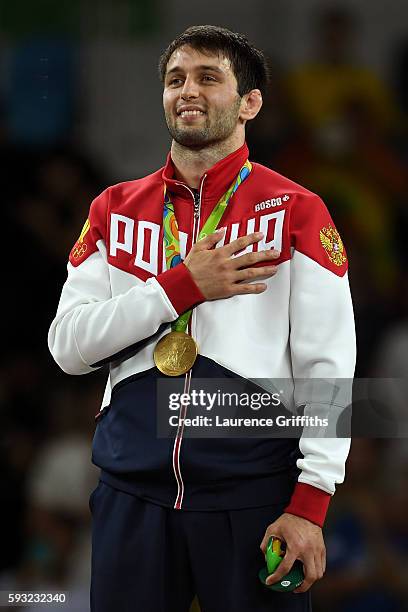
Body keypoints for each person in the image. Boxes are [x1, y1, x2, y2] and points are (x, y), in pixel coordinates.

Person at [48, 25, 356, 612]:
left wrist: (310, 503)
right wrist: (178, 287)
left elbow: (330, 366)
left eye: (208, 77)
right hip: (131, 495)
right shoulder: (113, 209)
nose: (187, 90)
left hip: (256, 499)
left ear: (250, 102)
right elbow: (67, 347)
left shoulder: (297, 210)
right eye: (175, 79)